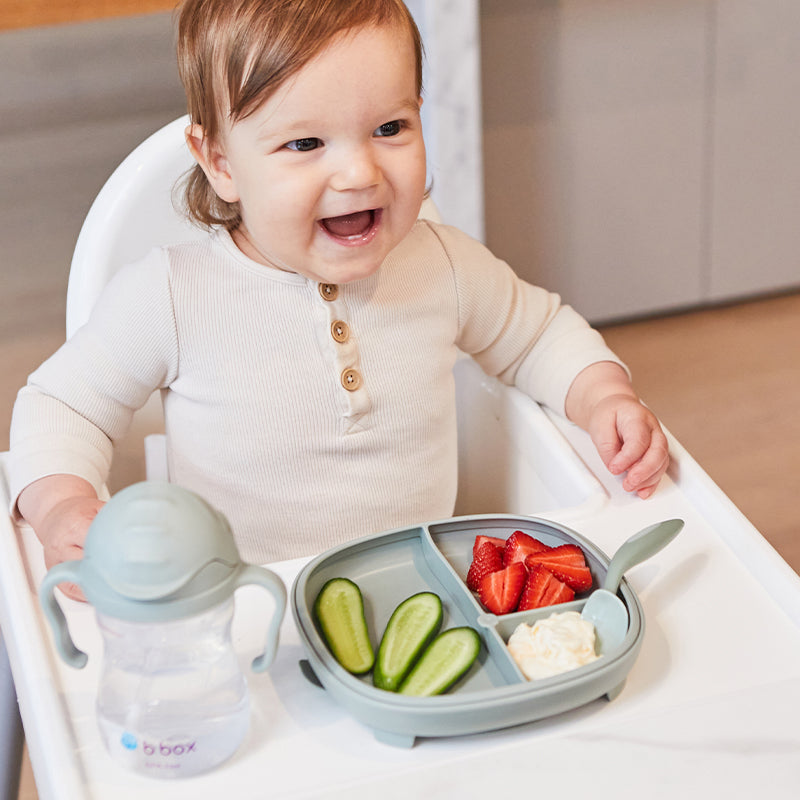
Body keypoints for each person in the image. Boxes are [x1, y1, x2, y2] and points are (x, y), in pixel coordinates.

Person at [8, 0, 669, 597]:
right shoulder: (172, 296)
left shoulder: (443, 265)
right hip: (241, 609)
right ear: (221, 163)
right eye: (305, 143)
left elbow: (537, 336)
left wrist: (602, 395)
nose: (359, 172)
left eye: (390, 127)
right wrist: (61, 504)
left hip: (422, 593)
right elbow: (64, 405)